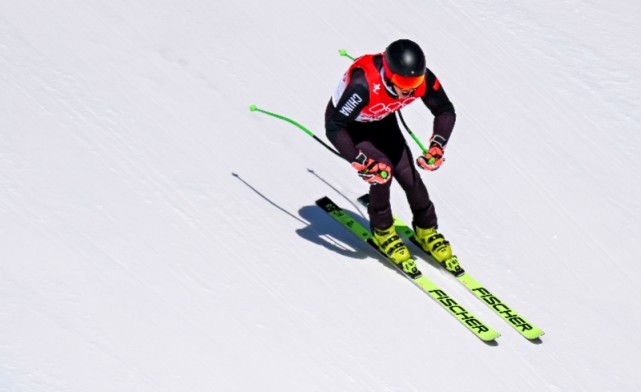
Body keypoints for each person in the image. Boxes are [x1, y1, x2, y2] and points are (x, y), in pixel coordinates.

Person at [325, 39, 459, 275]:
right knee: (382, 171)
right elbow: (335, 127)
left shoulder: (422, 80)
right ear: (388, 74)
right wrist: (361, 162)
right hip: (352, 129)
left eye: (414, 82)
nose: (409, 89)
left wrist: (438, 145)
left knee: (409, 176)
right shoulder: (362, 85)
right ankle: (383, 231)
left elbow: (445, 110)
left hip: (382, 122)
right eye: (402, 83)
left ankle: (427, 230)